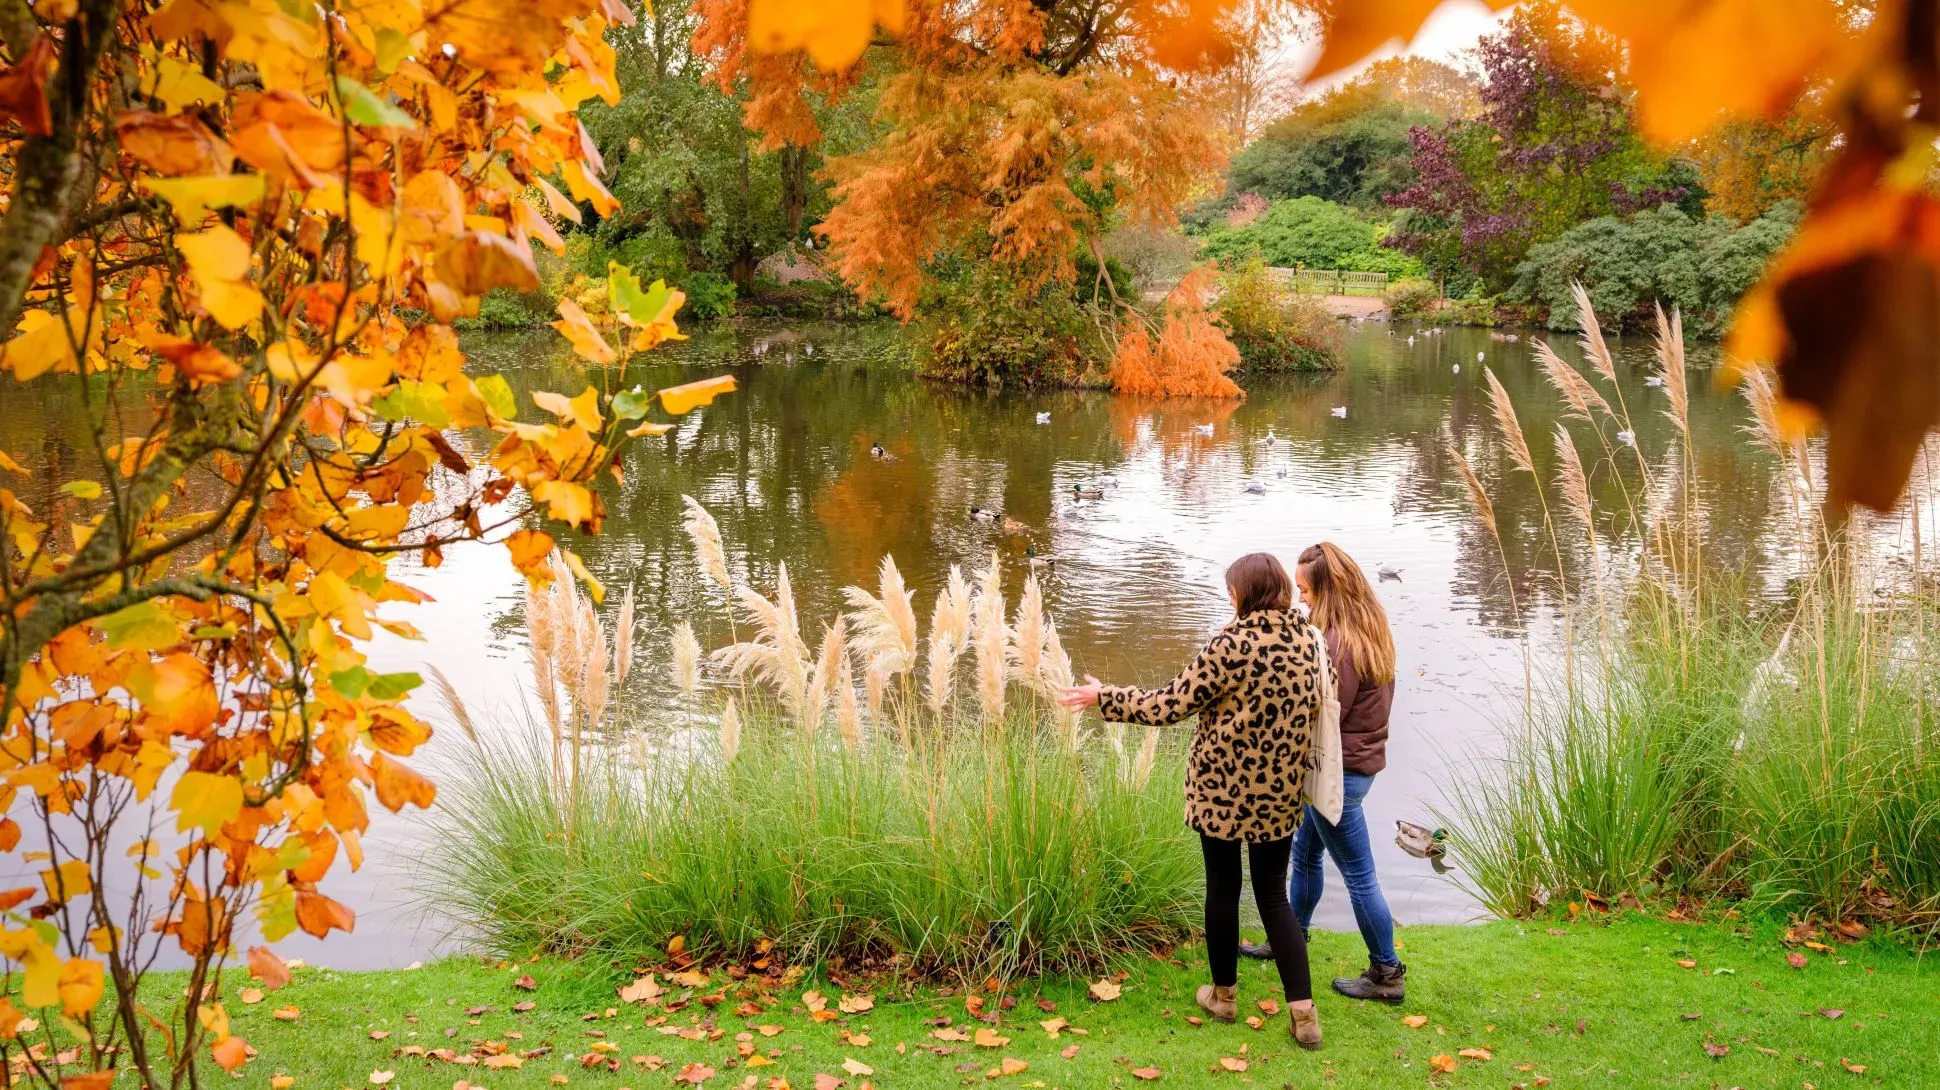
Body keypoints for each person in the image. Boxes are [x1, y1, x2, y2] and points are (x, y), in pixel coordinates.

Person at [1059, 553, 1327, 1049]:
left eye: (1232, 592)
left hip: (1222, 790)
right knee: (1273, 896)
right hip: (1280, 790)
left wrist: (1105, 697)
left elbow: (1170, 703)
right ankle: (1304, 1014)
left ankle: (1223, 997)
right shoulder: (1308, 639)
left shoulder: (1232, 643)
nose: (1229, 599)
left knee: (1223, 888)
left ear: (1243, 593)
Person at [1239, 542, 1405, 1004]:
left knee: (1359, 875)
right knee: (1306, 857)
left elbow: (1324, 713)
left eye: (1306, 590)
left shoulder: (1337, 644)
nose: (1300, 598)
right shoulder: (1370, 628)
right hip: (1355, 765)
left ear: (1328, 590)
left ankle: (1387, 972)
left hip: (1340, 773)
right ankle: (1291, 936)